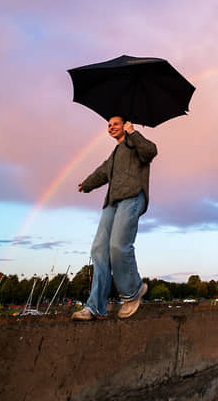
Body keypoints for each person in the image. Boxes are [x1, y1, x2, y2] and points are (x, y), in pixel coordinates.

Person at [72, 115, 157, 321]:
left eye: (115, 124)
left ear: (125, 124)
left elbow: (151, 151)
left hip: (132, 196)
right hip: (112, 202)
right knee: (99, 249)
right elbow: (102, 172)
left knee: (118, 246)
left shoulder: (135, 143)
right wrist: (86, 184)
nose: (110, 127)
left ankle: (132, 292)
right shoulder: (115, 153)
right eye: (109, 125)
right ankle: (95, 307)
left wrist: (133, 133)